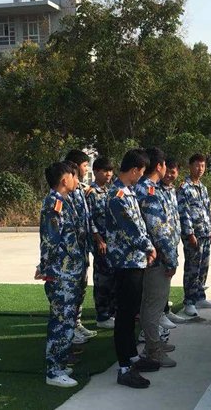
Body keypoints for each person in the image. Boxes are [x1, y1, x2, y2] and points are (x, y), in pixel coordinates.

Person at [106, 149, 157, 389]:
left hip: (134, 260)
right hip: (125, 262)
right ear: (134, 170)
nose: (142, 177)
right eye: (141, 172)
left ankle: (133, 357)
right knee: (125, 316)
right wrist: (149, 247)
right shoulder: (117, 195)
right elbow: (131, 229)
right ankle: (124, 368)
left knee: (131, 312)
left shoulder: (128, 191)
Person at [38, 161, 84, 388]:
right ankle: (54, 371)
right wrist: (44, 266)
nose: (77, 180)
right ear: (64, 180)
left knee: (67, 322)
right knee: (60, 322)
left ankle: (60, 363)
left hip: (70, 271)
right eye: (73, 176)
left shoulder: (65, 201)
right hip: (61, 274)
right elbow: (50, 240)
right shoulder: (54, 204)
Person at [135, 148, 179, 369]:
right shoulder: (149, 190)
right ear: (159, 166)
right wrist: (171, 259)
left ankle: (153, 345)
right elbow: (158, 230)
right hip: (157, 259)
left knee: (150, 305)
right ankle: (153, 351)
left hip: (153, 257)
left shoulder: (146, 187)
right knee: (153, 307)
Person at [65, 150, 106, 344]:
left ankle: (77, 323)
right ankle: (69, 329)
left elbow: (87, 217)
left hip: (82, 248)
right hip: (71, 251)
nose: (86, 169)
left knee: (81, 287)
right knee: (71, 290)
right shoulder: (65, 192)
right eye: (84, 166)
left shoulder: (82, 189)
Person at [177, 154, 211, 317]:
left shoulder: (202, 187)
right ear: (190, 166)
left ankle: (200, 297)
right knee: (192, 269)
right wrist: (189, 233)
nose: (200, 169)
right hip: (193, 236)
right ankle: (189, 301)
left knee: (203, 268)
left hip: (205, 234)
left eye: (203, 166)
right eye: (197, 166)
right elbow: (183, 212)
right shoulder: (184, 188)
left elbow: (208, 210)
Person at [86, 156, 116, 329]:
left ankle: (111, 312)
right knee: (102, 280)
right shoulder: (91, 193)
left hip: (112, 242)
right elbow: (88, 219)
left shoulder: (109, 191)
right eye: (105, 171)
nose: (108, 174)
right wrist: (98, 239)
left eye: (110, 171)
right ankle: (102, 315)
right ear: (96, 172)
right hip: (101, 243)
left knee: (112, 278)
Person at [160, 159, 186, 325]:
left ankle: (165, 310)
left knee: (167, 279)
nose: (169, 175)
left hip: (172, 243)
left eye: (173, 172)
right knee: (160, 280)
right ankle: (160, 313)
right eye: (167, 171)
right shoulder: (156, 190)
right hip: (162, 244)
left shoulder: (172, 190)